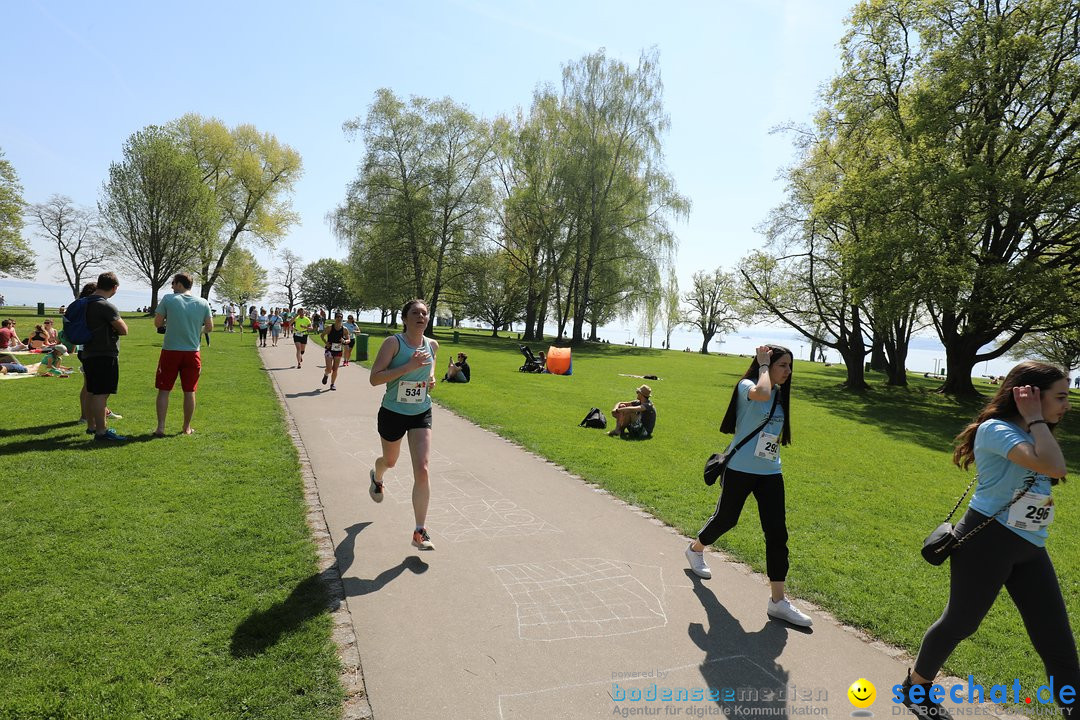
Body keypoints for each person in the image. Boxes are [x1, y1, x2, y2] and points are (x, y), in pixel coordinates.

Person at [899, 362, 1077, 720]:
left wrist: (1037, 421)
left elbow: (1053, 465)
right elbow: (1056, 468)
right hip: (987, 541)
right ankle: (915, 687)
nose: (1067, 405)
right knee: (961, 623)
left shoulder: (1032, 430)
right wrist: (1038, 421)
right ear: (1029, 395)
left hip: (1030, 548)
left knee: (1056, 640)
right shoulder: (997, 430)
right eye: (1060, 396)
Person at [684, 344, 812, 628]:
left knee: (777, 534)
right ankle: (695, 549)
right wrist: (763, 365)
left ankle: (778, 602)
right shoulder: (747, 386)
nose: (788, 372)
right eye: (783, 365)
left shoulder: (779, 393)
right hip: (740, 468)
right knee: (727, 519)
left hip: (770, 473)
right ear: (766, 364)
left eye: (790, 367)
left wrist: (770, 369)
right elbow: (761, 393)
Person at [368, 299, 439, 551]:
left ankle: (420, 531)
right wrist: (409, 367)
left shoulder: (432, 345)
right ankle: (377, 477)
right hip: (393, 412)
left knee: (423, 468)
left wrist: (430, 380)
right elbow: (374, 379)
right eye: (415, 313)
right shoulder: (393, 343)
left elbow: (430, 370)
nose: (421, 316)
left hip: (421, 411)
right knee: (390, 462)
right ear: (405, 318)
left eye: (424, 313)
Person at [153, 272, 213, 437]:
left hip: (170, 351)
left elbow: (157, 323)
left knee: (164, 390)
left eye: (173, 284)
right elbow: (209, 327)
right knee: (189, 391)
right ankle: (186, 427)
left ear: (179, 284)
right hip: (192, 352)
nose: (172, 287)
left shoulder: (168, 299)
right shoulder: (203, 302)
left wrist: (169, 321)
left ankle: (161, 428)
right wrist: (197, 330)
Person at [82, 272, 128, 442]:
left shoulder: (83, 303)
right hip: (104, 352)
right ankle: (101, 432)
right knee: (102, 393)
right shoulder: (105, 306)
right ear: (114, 287)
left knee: (92, 391)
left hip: (87, 352)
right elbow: (124, 330)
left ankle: (91, 426)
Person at [319, 312, 351, 391]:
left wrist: (344, 341)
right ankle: (326, 374)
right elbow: (322, 335)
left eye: (341, 317)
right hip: (329, 350)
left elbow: (348, 340)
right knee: (329, 368)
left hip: (338, 350)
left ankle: (332, 384)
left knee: (335, 369)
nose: (339, 318)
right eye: (337, 317)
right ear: (335, 318)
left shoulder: (344, 329)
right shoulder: (330, 327)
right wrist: (326, 342)